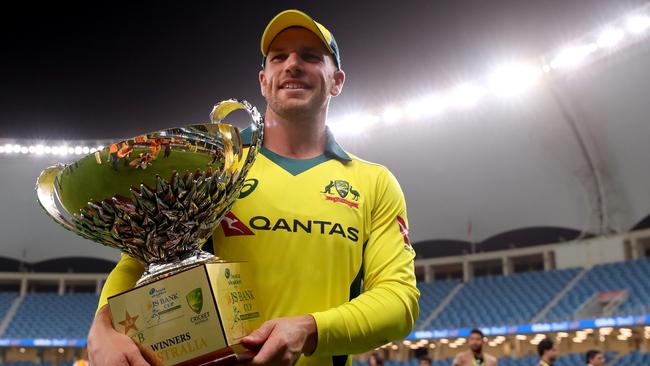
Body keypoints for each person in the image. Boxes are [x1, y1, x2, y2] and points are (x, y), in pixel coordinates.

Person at [87, 9, 419, 366]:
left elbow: (399, 300)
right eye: (279, 57)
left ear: (337, 81)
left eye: (310, 55)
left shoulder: (373, 182)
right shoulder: (211, 168)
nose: (293, 64)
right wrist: (102, 327)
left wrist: (309, 329)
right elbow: (139, 259)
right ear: (263, 80)